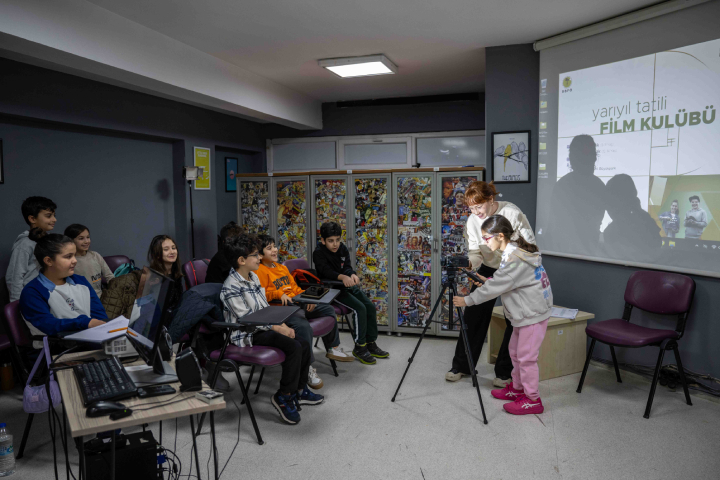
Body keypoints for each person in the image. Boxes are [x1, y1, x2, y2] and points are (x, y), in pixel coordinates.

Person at [452, 215, 552, 415]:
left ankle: (533, 399)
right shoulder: (512, 252)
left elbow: (499, 285)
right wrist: (488, 280)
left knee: (526, 359)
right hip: (524, 314)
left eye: (487, 238)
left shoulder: (515, 260)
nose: (484, 242)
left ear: (500, 236)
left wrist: (467, 300)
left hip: (532, 315)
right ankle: (517, 389)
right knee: (514, 352)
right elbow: (505, 281)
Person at [221, 233, 322, 425]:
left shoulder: (252, 277)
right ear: (241, 260)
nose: (258, 257)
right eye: (254, 255)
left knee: (302, 342)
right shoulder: (231, 287)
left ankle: (299, 390)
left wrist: (281, 324)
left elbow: (264, 308)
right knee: (293, 347)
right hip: (247, 333)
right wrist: (277, 328)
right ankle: (284, 396)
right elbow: (248, 319)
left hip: (261, 327)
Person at [446, 181, 536, 388]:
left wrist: (510, 273)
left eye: (479, 206)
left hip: (514, 269)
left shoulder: (511, 212)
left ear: (491, 199)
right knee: (473, 316)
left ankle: (504, 372)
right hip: (488, 268)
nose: (475, 212)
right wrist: (470, 263)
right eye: (471, 208)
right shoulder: (473, 221)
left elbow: (530, 246)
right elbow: (476, 252)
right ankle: (462, 366)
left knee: (514, 319)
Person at [255, 234, 354, 368]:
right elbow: (261, 295)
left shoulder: (282, 268)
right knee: (303, 326)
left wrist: (307, 299)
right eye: (269, 248)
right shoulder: (259, 271)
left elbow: (295, 288)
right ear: (260, 255)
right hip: (282, 310)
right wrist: (279, 293)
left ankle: (333, 348)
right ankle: (307, 367)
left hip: (297, 303)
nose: (274, 250)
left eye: (274, 246)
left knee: (328, 309)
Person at [313, 221, 389, 365]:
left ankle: (370, 343)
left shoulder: (342, 248)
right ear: (323, 240)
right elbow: (325, 272)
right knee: (359, 309)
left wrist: (352, 274)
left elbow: (346, 266)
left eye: (337, 240)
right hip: (331, 289)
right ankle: (360, 347)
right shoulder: (318, 253)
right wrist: (343, 277)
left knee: (370, 307)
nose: (335, 244)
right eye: (330, 241)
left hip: (345, 286)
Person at [19, 234, 107, 340]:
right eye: (68, 256)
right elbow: (49, 325)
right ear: (48, 261)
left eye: (74, 255)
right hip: (59, 345)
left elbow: (99, 314)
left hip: (91, 338)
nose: (75, 260)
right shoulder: (32, 292)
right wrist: (85, 322)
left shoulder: (80, 281)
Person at [546, 134, 607, 255]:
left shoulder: (562, 185)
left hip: (563, 255)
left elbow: (551, 226)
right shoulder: (599, 186)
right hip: (585, 255)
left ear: (571, 159)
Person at [6, 196, 57, 302]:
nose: (54, 219)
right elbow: (14, 277)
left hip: (48, 295)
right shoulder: (24, 244)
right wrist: (18, 303)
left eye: (54, 215)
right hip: (31, 298)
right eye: (49, 216)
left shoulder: (50, 241)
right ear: (32, 219)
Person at [64, 224, 114, 299]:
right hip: (80, 299)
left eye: (88, 237)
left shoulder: (95, 256)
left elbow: (110, 277)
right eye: (81, 238)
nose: (86, 241)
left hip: (100, 298)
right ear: (70, 240)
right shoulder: (69, 261)